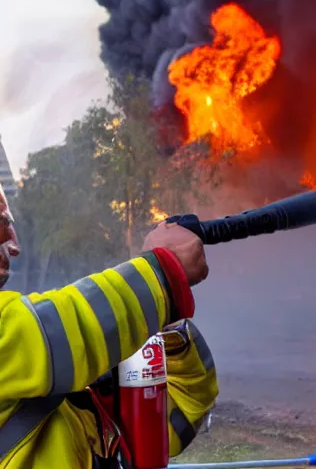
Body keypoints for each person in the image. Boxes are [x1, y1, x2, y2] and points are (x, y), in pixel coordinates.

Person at [0, 184, 218, 468]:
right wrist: (162, 273)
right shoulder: (44, 344)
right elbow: (62, 329)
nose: (14, 247)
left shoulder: (57, 381)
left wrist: (172, 333)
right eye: (2, 225)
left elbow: (172, 421)